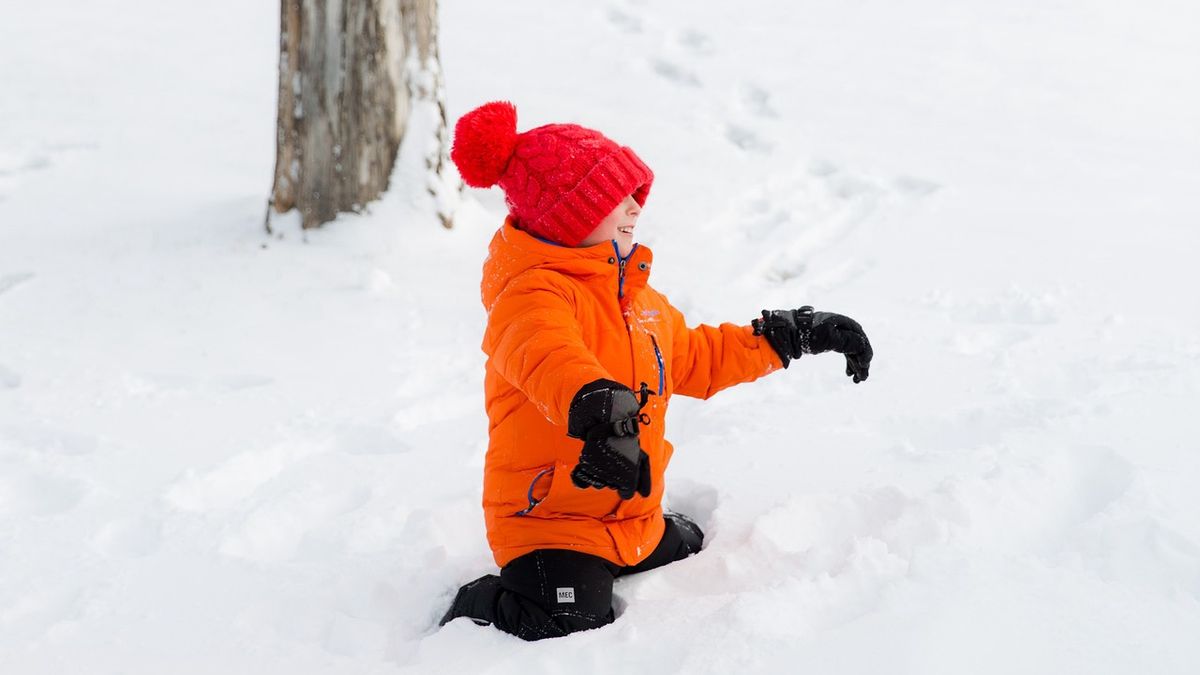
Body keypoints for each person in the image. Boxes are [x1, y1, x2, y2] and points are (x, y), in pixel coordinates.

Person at [439, 101, 873, 640]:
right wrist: (598, 408)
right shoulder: (528, 297)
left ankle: (641, 538)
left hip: (632, 519)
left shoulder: (637, 301)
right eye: (613, 199)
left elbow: (698, 357)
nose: (633, 208)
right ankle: (482, 600)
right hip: (552, 525)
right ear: (566, 218)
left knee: (691, 550)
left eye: (635, 195)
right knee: (568, 621)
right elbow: (549, 358)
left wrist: (789, 336)